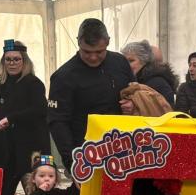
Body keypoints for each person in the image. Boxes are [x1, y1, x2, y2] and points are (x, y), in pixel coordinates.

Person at [48, 18, 135, 158]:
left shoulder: (120, 62)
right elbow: (58, 123)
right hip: (87, 153)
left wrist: (133, 103)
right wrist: (73, 160)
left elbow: (135, 91)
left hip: (124, 148)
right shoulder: (63, 77)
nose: (93, 57)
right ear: (78, 42)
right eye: (87, 52)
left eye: (99, 52)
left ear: (108, 42)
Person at [0, 40, 49, 195]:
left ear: (24, 61)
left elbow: (40, 110)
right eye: (8, 59)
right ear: (3, 62)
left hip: (31, 150)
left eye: (16, 59)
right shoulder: (1, 85)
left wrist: (11, 118)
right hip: (8, 151)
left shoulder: (33, 83)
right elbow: (0, 118)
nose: (12, 63)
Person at [121, 40, 177, 106]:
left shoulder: (157, 82)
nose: (127, 64)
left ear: (144, 61)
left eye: (131, 61)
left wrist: (134, 106)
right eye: (124, 61)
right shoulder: (134, 80)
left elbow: (163, 108)